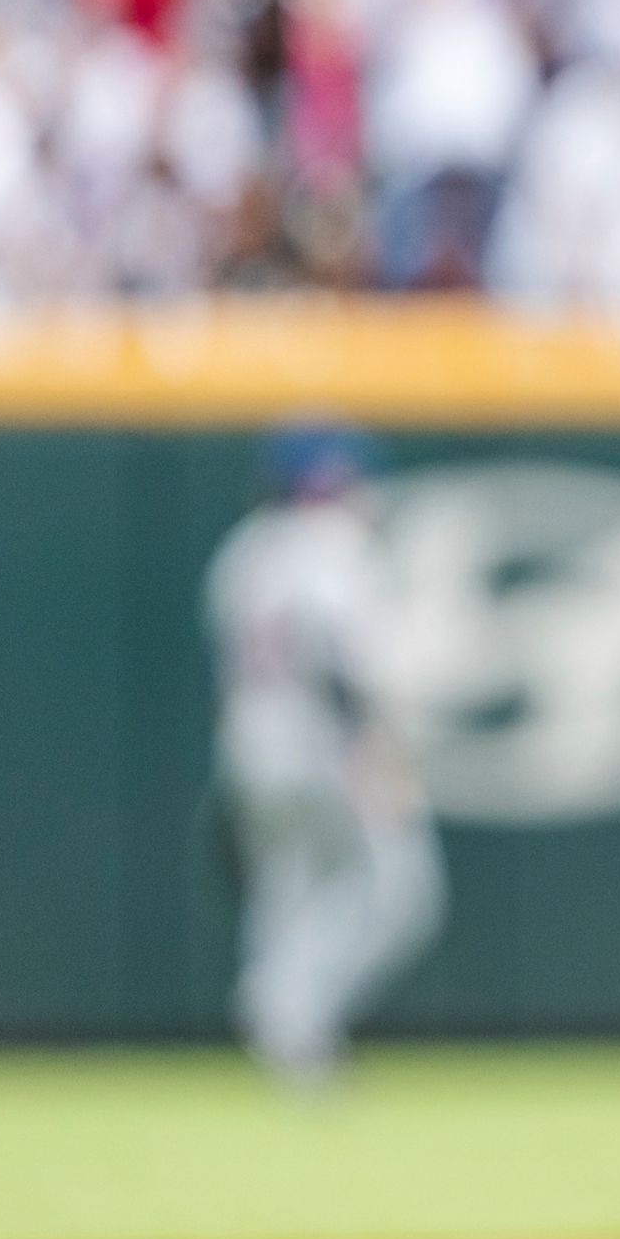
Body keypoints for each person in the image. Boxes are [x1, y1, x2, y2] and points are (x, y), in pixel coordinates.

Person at [209, 421, 442, 1086]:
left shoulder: (243, 551)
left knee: (286, 893)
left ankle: (282, 1025)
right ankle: (288, 1015)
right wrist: (374, 750)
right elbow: (341, 662)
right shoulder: (336, 547)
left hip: (251, 747)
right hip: (326, 746)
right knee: (399, 894)